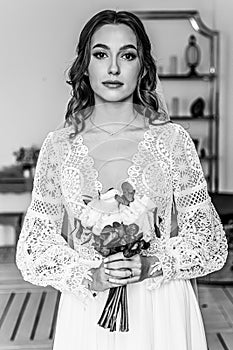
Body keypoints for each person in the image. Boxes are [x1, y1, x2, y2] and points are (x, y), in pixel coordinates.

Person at [16, 9, 228, 350]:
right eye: (101, 54)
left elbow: (209, 242)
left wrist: (151, 264)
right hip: (89, 308)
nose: (113, 68)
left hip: (161, 306)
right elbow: (34, 248)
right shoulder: (58, 147)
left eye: (126, 55)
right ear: (85, 65)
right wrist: (89, 275)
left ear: (142, 66)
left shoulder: (172, 141)